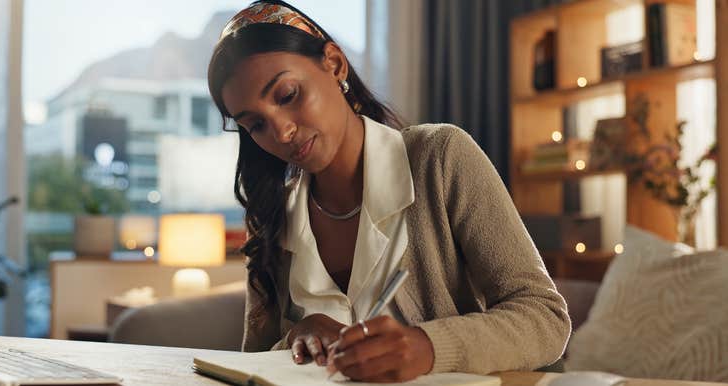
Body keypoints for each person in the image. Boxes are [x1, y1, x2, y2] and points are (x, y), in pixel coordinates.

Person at [207, 0, 570, 382]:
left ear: (334, 64)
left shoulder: (440, 158)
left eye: (287, 95)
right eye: (256, 125)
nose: (281, 132)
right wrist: (295, 338)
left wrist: (426, 347)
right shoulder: (270, 216)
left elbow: (545, 317)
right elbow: (252, 367)